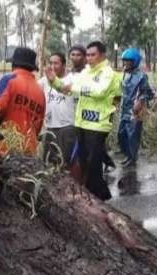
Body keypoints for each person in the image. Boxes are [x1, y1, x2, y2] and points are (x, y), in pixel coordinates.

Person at [46, 41, 122, 201]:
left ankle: (99, 198)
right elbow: (69, 89)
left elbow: (99, 92)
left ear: (102, 55)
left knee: (93, 165)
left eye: (92, 54)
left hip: (98, 124)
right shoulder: (86, 72)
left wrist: (73, 89)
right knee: (84, 165)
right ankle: (99, 197)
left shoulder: (108, 73)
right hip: (81, 123)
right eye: (87, 55)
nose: (89, 58)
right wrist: (55, 82)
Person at [0, 47, 46, 157]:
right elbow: (38, 125)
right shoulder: (40, 92)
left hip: (6, 146)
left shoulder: (10, 79)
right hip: (28, 150)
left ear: (14, 64)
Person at [38, 51, 78, 166]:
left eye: (56, 63)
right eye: (50, 63)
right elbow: (34, 88)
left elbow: (66, 89)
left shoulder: (72, 80)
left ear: (64, 65)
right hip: (49, 127)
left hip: (66, 128)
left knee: (64, 163)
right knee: (47, 162)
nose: (52, 66)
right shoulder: (44, 81)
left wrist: (54, 81)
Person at [118, 48, 154, 167]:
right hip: (124, 110)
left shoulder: (141, 76)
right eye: (124, 61)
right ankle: (127, 155)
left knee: (133, 136)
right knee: (121, 134)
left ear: (135, 62)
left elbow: (148, 93)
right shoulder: (124, 74)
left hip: (135, 112)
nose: (125, 64)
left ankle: (132, 158)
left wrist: (140, 101)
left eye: (128, 61)